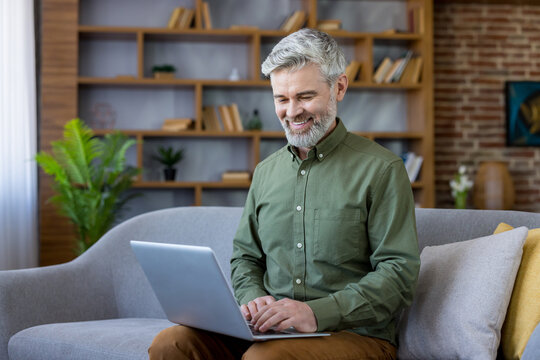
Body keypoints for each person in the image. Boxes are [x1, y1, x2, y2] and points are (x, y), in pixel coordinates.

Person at [149, 28, 420, 360]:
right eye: (282, 98)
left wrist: (316, 313)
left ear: (339, 87)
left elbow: (398, 274)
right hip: (270, 332)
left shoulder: (382, 170)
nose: (292, 112)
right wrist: (253, 297)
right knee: (172, 343)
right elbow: (246, 257)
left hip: (354, 335)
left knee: (266, 359)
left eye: (305, 96)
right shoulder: (266, 172)